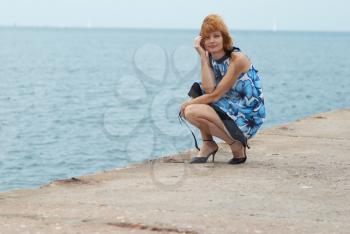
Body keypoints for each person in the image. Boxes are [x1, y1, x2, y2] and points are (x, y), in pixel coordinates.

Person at [180, 14, 266, 164]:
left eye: (216, 36)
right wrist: (203, 57)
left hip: (246, 115)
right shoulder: (211, 58)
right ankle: (208, 144)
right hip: (228, 105)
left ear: (224, 37)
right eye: (207, 37)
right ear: (202, 41)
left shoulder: (237, 59)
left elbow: (215, 95)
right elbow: (208, 89)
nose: (212, 41)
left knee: (191, 109)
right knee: (197, 95)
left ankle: (236, 145)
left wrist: (186, 104)